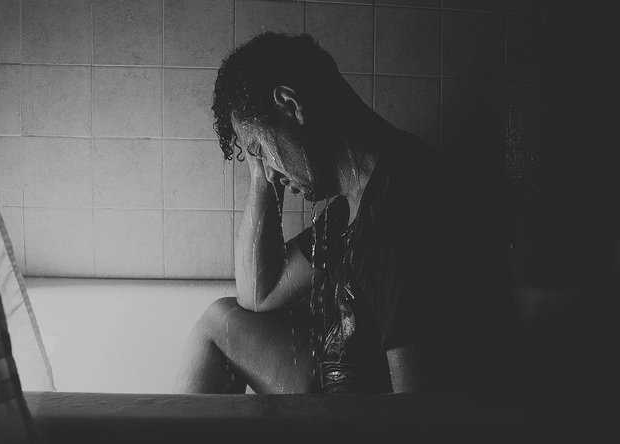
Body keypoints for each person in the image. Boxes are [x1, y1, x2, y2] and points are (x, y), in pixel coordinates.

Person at [173, 32, 516, 395]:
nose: (269, 170)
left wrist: (272, 154)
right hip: (341, 391)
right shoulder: (353, 202)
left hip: (362, 416)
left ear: (290, 105)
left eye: (258, 148)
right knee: (220, 321)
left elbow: (417, 411)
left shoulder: (402, 208)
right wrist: (264, 170)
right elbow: (259, 292)